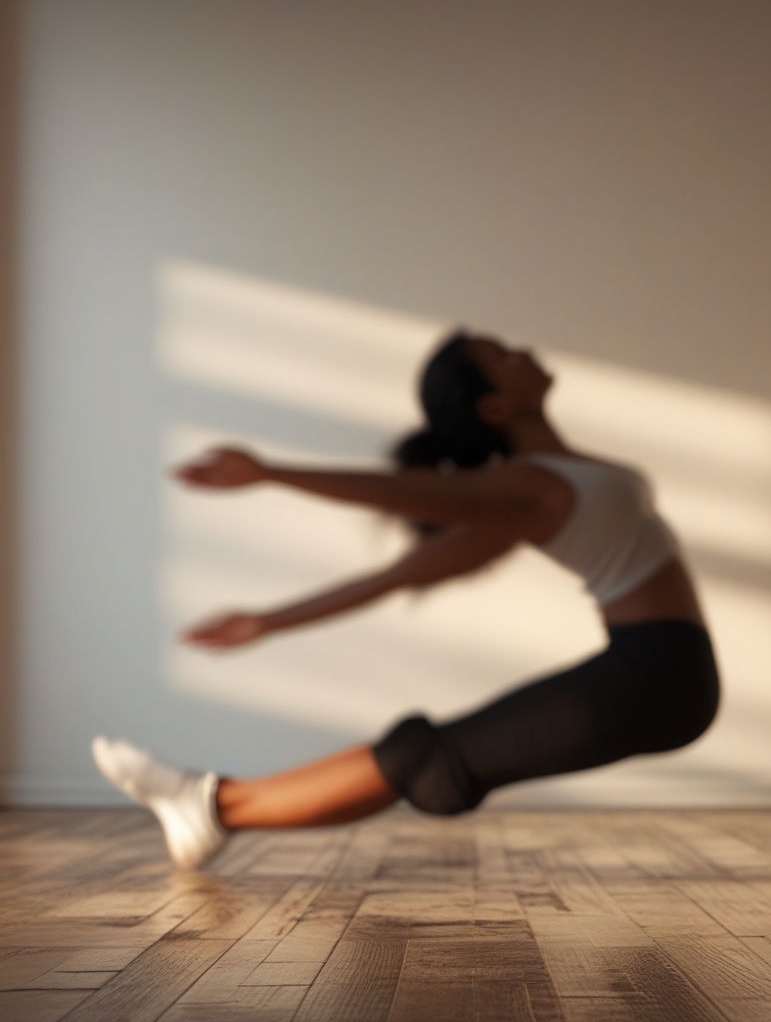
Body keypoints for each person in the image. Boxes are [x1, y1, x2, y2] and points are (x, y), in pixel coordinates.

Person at [93, 331, 719, 869]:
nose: (519, 349)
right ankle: (214, 806)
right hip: (652, 675)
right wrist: (270, 484)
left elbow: (400, 564)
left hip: (660, 674)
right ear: (496, 405)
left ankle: (208, 806)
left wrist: (267, 610)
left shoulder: (538, 488)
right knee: (424, 754)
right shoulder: (523, 489)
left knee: (430, 753)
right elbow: (400, 511)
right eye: (499, 354)